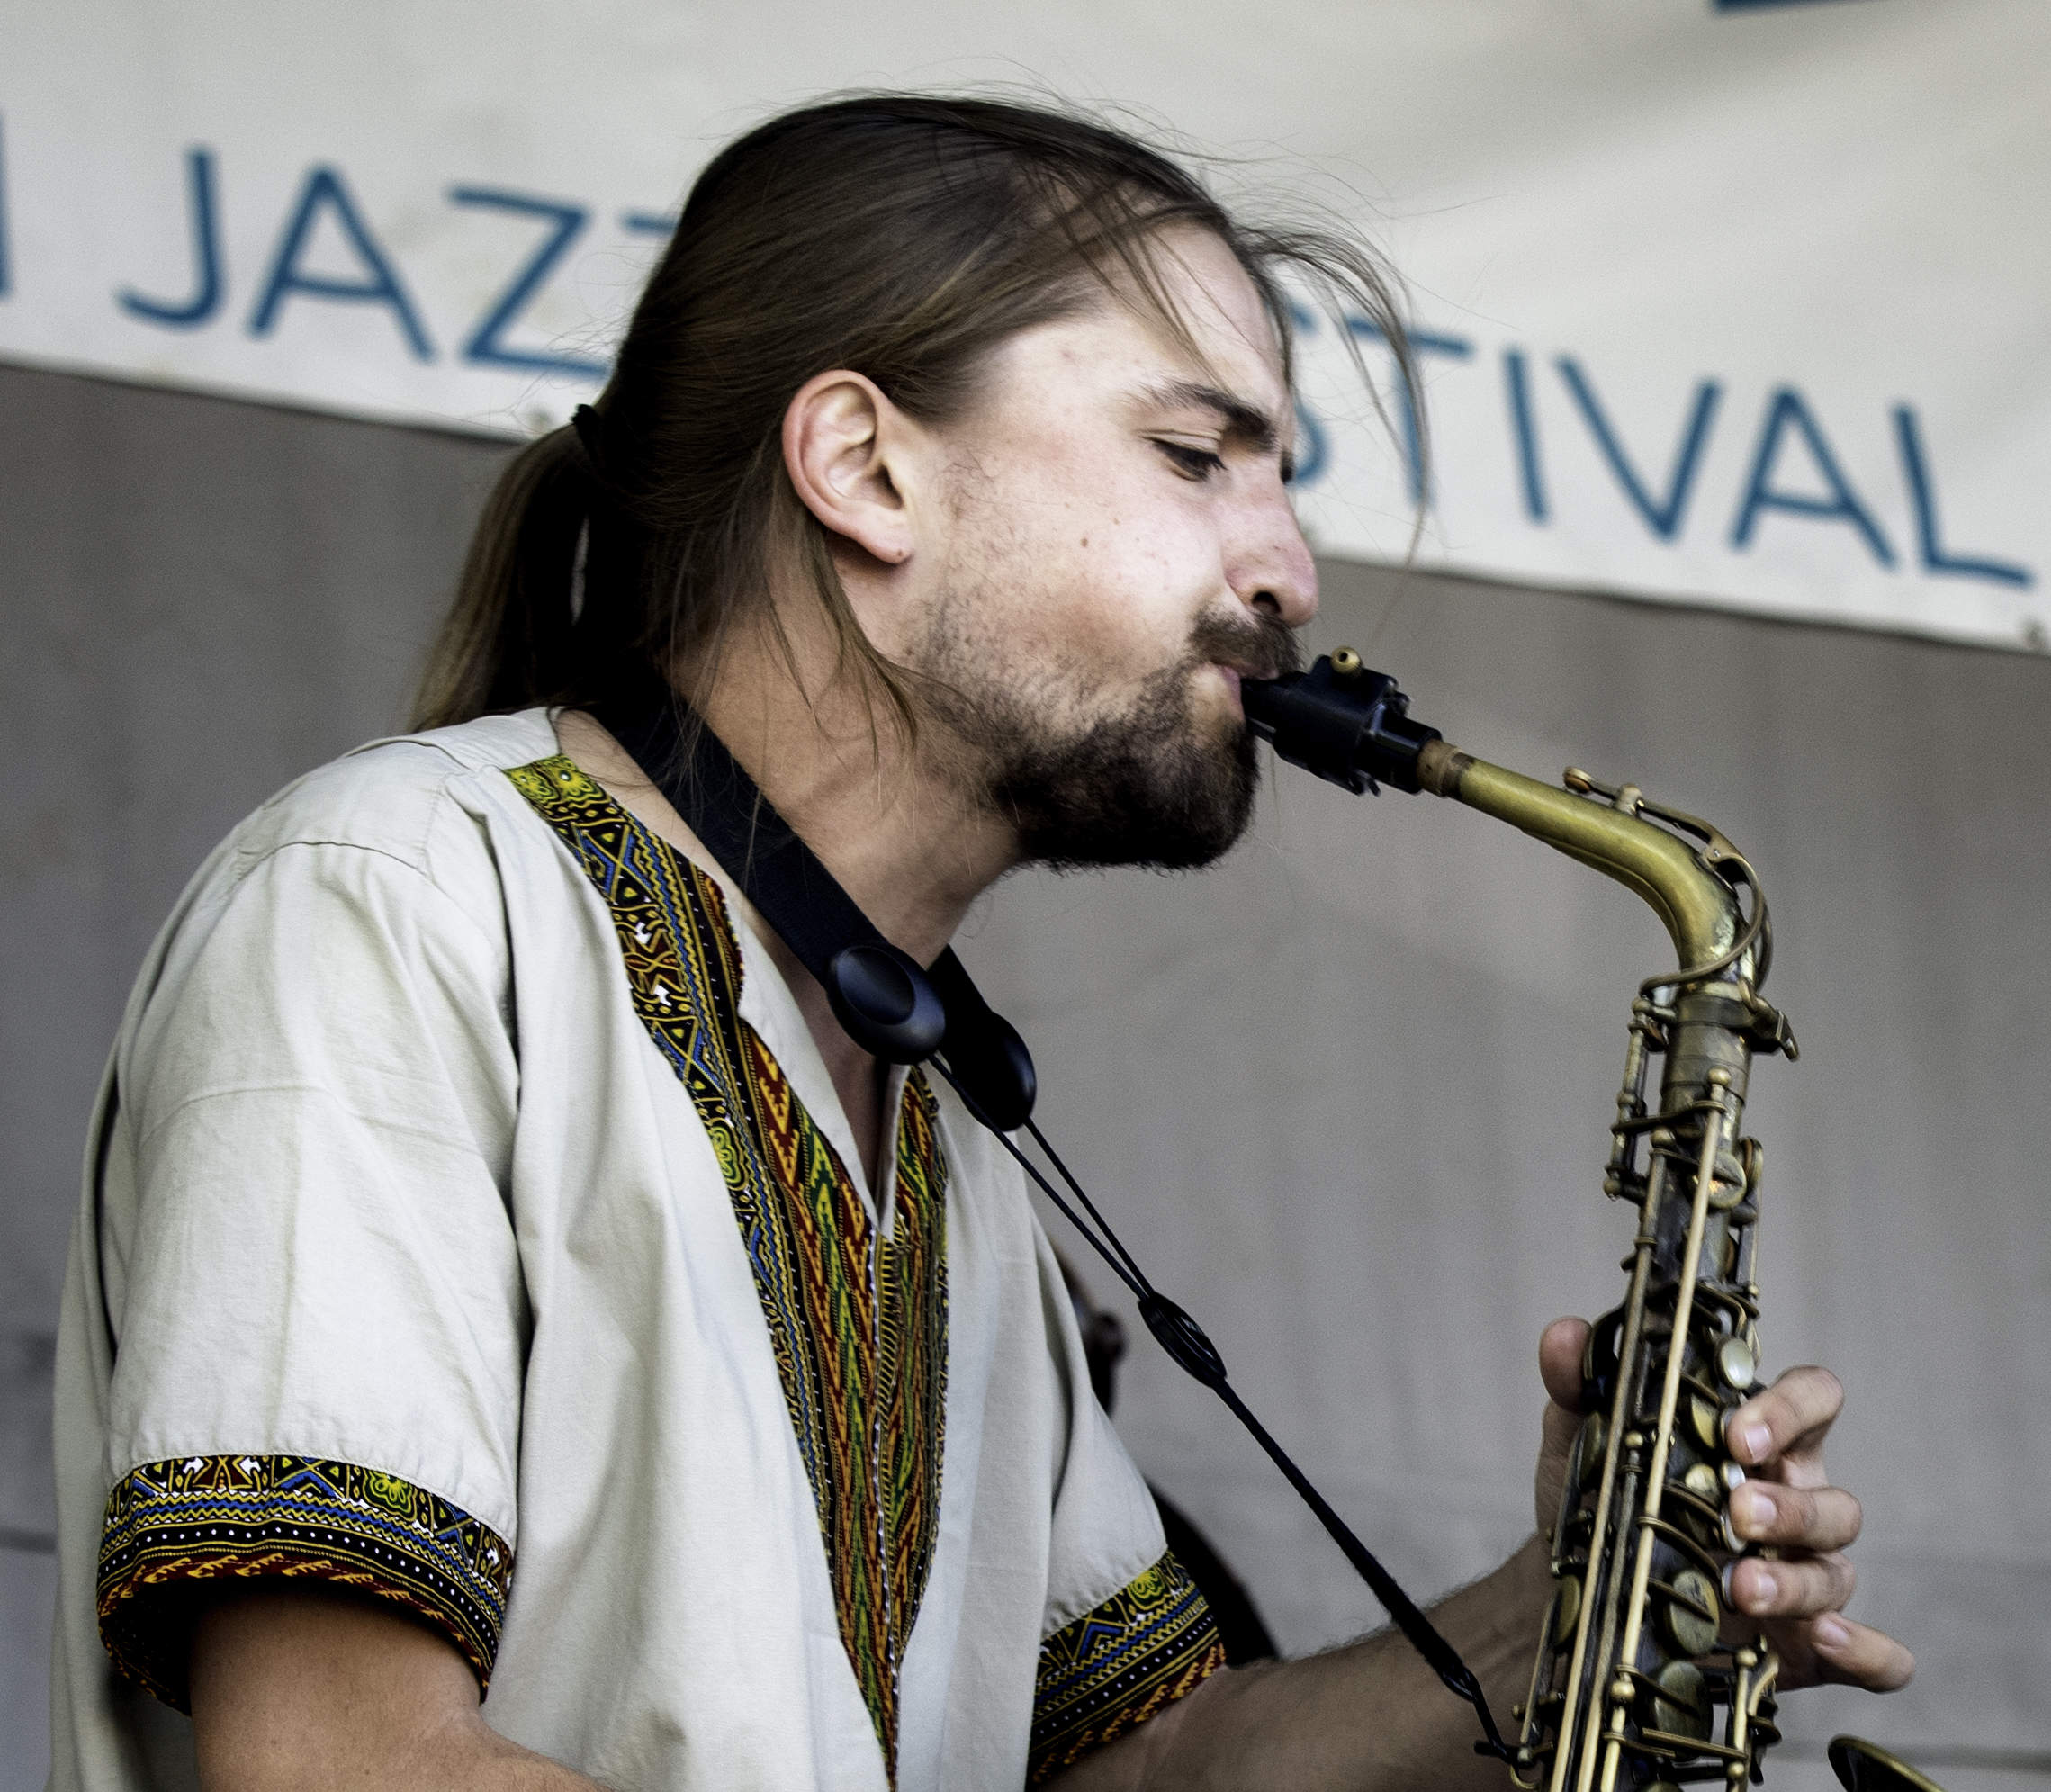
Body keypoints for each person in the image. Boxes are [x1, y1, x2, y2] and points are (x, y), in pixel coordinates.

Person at [49, 94, 1912, 1792]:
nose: (1288, 573)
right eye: (1199, 455)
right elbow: (338, 1771)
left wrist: (1566, 1604)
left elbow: (1149, 1770)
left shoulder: (938, 1136)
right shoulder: (395, 903)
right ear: (864, 467)